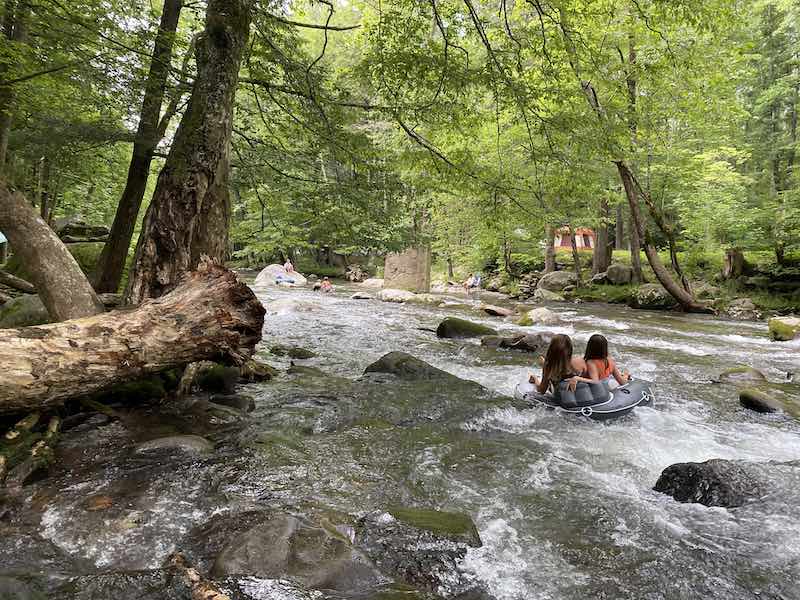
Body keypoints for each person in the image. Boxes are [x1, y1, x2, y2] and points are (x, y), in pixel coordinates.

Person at [529, 334, 593, 394]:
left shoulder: (549, 367)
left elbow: (542, 390)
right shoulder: (579, 361)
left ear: (551, 350)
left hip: (562, 398)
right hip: (581, 395)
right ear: (570, 348)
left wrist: (535, 379)